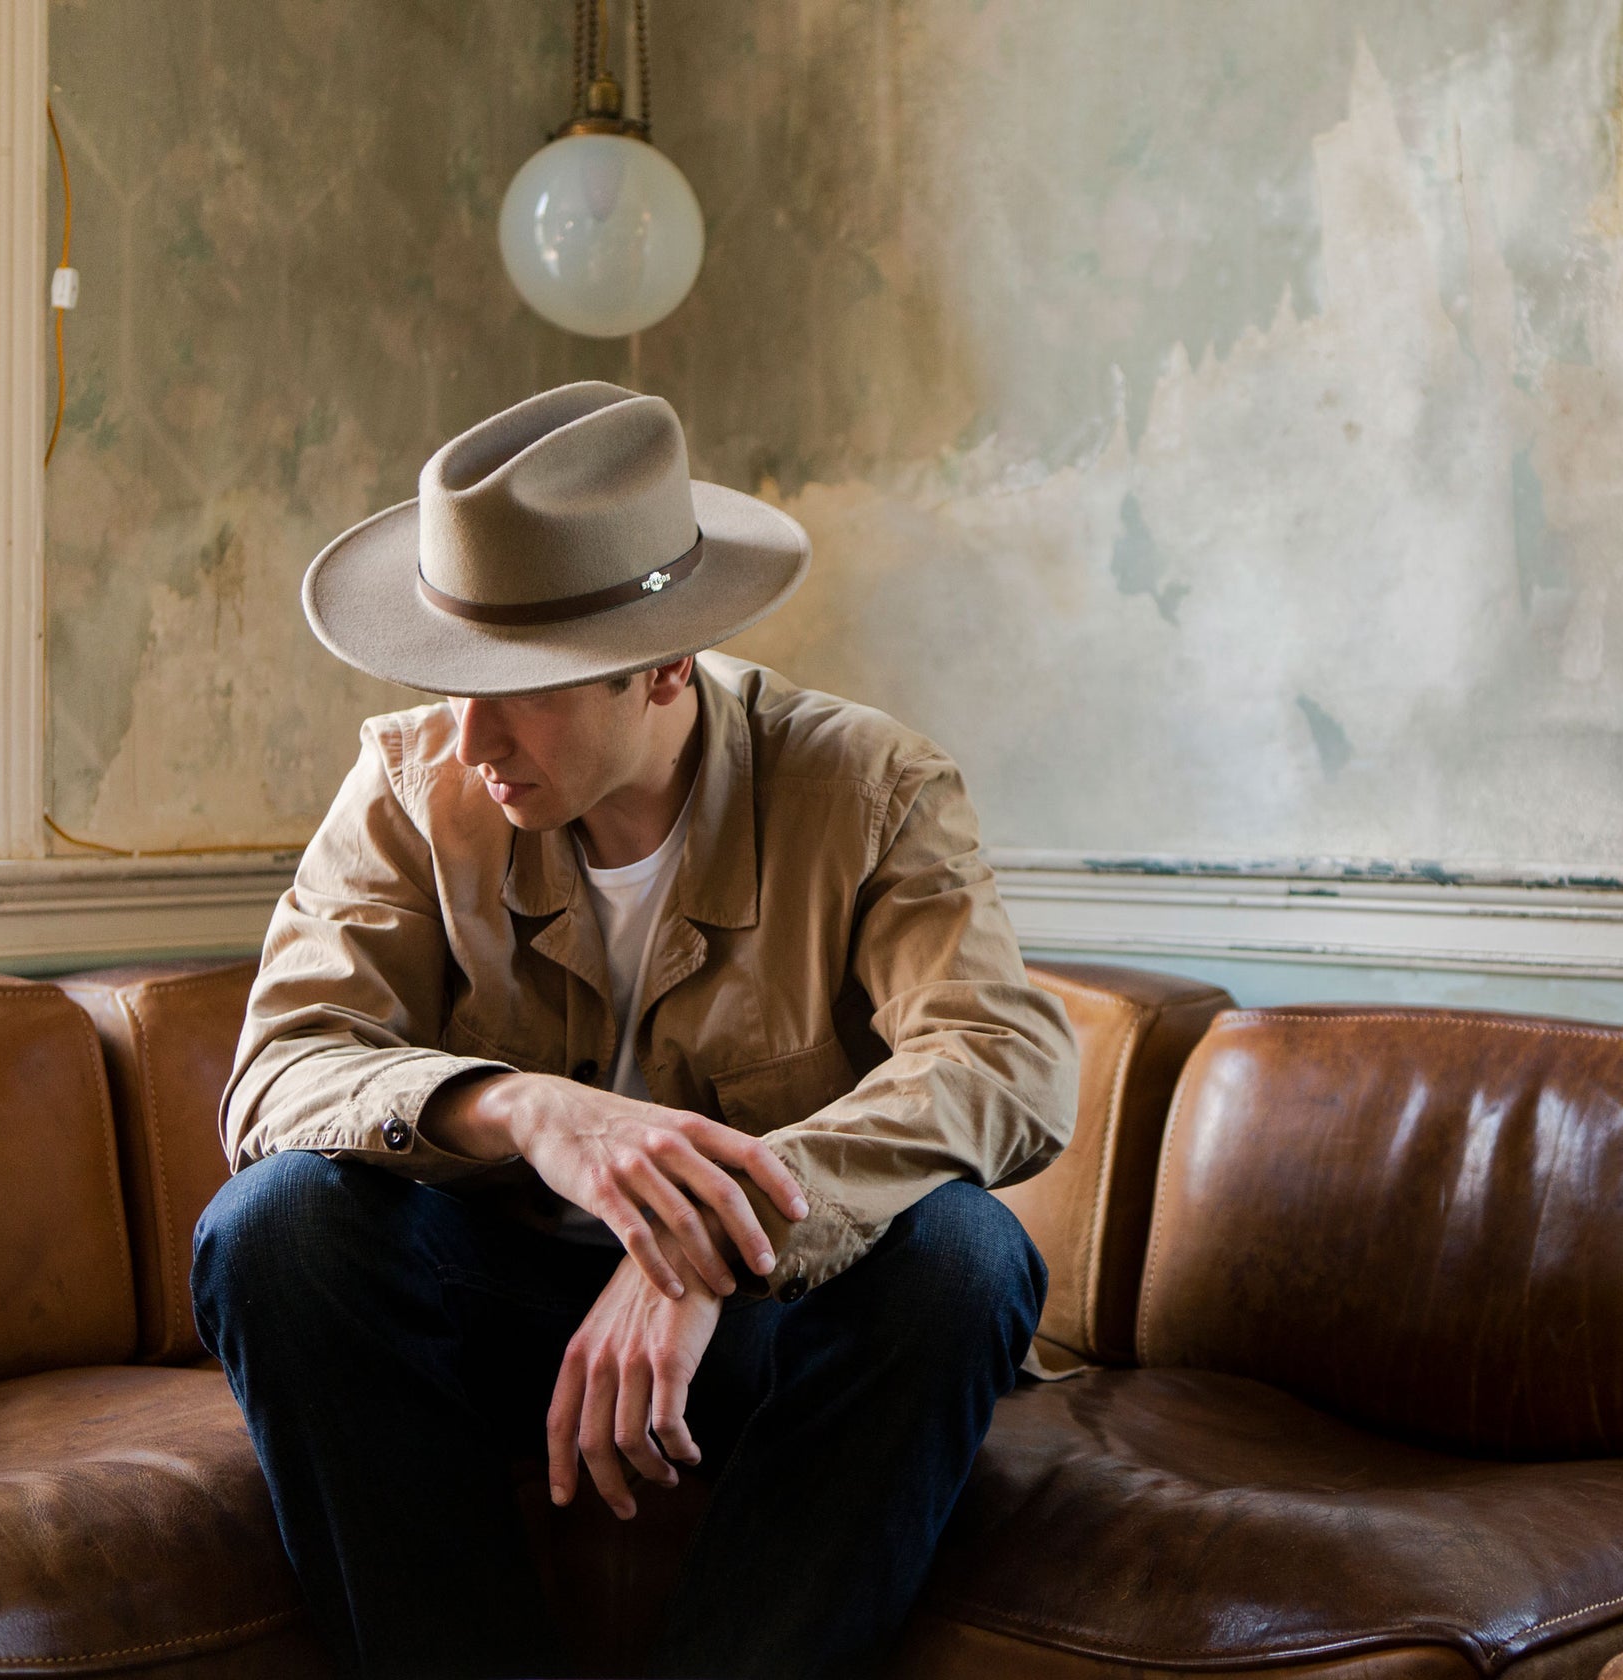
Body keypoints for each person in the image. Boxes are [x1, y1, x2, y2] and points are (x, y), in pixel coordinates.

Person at [191, 381, 1079, 1680]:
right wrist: (538, 1113)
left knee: (963, 1256)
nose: (474, 735)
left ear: (667, 665)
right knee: (274, 1227)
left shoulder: (868, 788)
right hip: (496, 1318)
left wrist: (704, 1247)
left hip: (761, 1330)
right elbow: (278, 1073)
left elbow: (1004, 1063)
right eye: (453, 681)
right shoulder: (411, 784)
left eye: (525, 691)